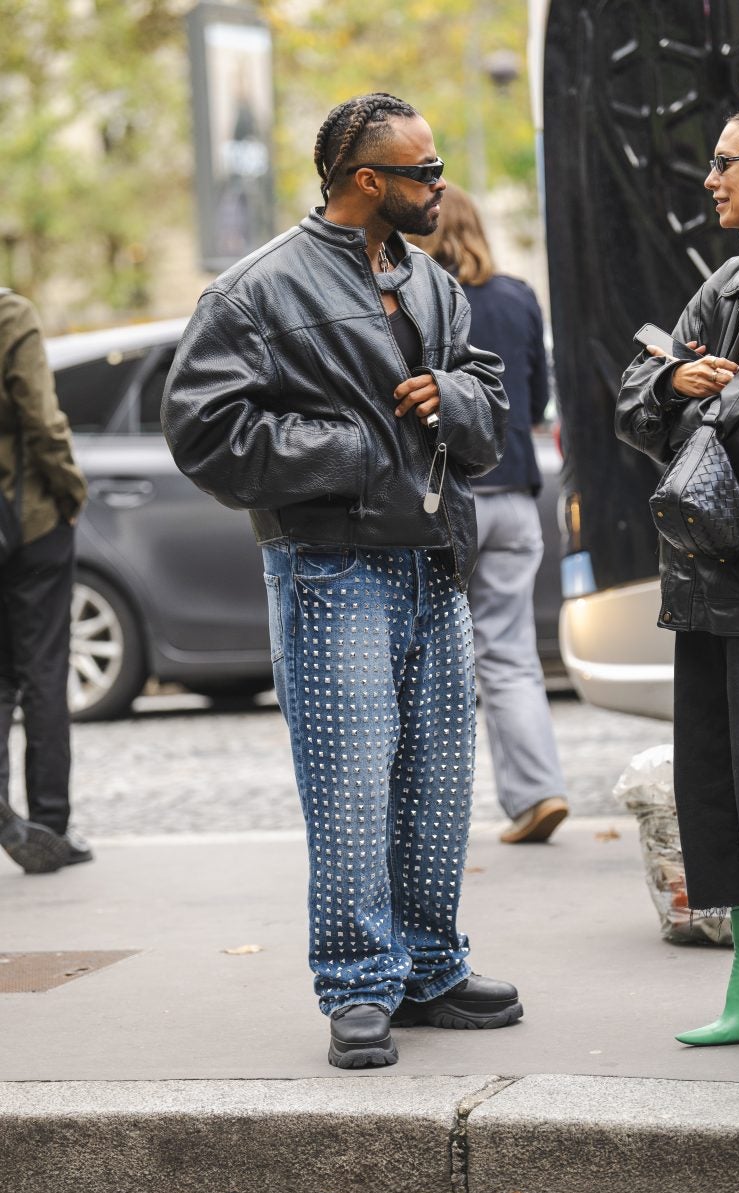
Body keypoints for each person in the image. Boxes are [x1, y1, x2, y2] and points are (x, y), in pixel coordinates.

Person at [162, 93, 521, 1069]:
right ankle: (359, 986)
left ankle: (429, 968)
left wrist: (448, 397)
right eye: (424, 172)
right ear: (369, 182)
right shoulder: (255, 292)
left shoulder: (432, 283)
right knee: (352, 791)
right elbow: (202, 428)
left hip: (431, 561)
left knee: (438, 783)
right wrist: (357, 450)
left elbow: (489, 408)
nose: (440, 185)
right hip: (330, 568)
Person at [616, 99, 739, 1061]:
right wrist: (673, 382)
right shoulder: (728, 279)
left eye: (730, 163)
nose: (712, 179)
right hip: (711, 569)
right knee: (724, 780)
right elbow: (633, 403)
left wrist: (690, 391)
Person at [413, 185, 568, 844]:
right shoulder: (518, 297)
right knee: (509, 655)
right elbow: (534, 403)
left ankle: (430, 817)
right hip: (516, 500)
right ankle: (537, 793)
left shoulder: (418, 302)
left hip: (446, 499)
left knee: (429, 659)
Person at [0, 289, 93, 874]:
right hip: (26, 520)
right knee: (41, 670)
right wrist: (70, 490)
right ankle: (49, 824)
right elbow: (40, 414)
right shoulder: (10, 314)